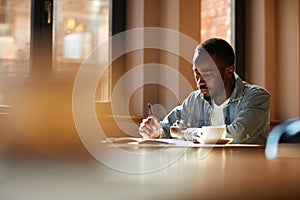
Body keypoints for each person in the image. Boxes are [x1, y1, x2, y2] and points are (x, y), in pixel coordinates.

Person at [139, 38, 270, 144]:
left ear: (229, 70)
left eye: (208, 74)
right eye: (197, 73)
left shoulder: (256, 97)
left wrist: (186, 133)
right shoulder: (194, 100)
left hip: (245, 172)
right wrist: (154, 130)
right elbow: (168, 129)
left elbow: (237, 134)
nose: (200, 82)